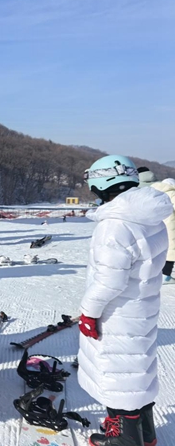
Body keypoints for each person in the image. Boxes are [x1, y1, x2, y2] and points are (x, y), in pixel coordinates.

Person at [79, 155, 171, 446]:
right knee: (136, 373)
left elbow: (110, 281)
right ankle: (145, 434)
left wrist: (88, 313)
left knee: (117, 376)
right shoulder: (150, 217)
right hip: (141, 308)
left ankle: (124, 440)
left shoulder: (115, 225)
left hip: (117, 314)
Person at [151, 178, 175, 283]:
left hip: (157, 225)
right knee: (171, 252)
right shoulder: (172, 193)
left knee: (159, 250)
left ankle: (157, 273)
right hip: (171, 226)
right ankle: (166, 275)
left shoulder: (154, 193)